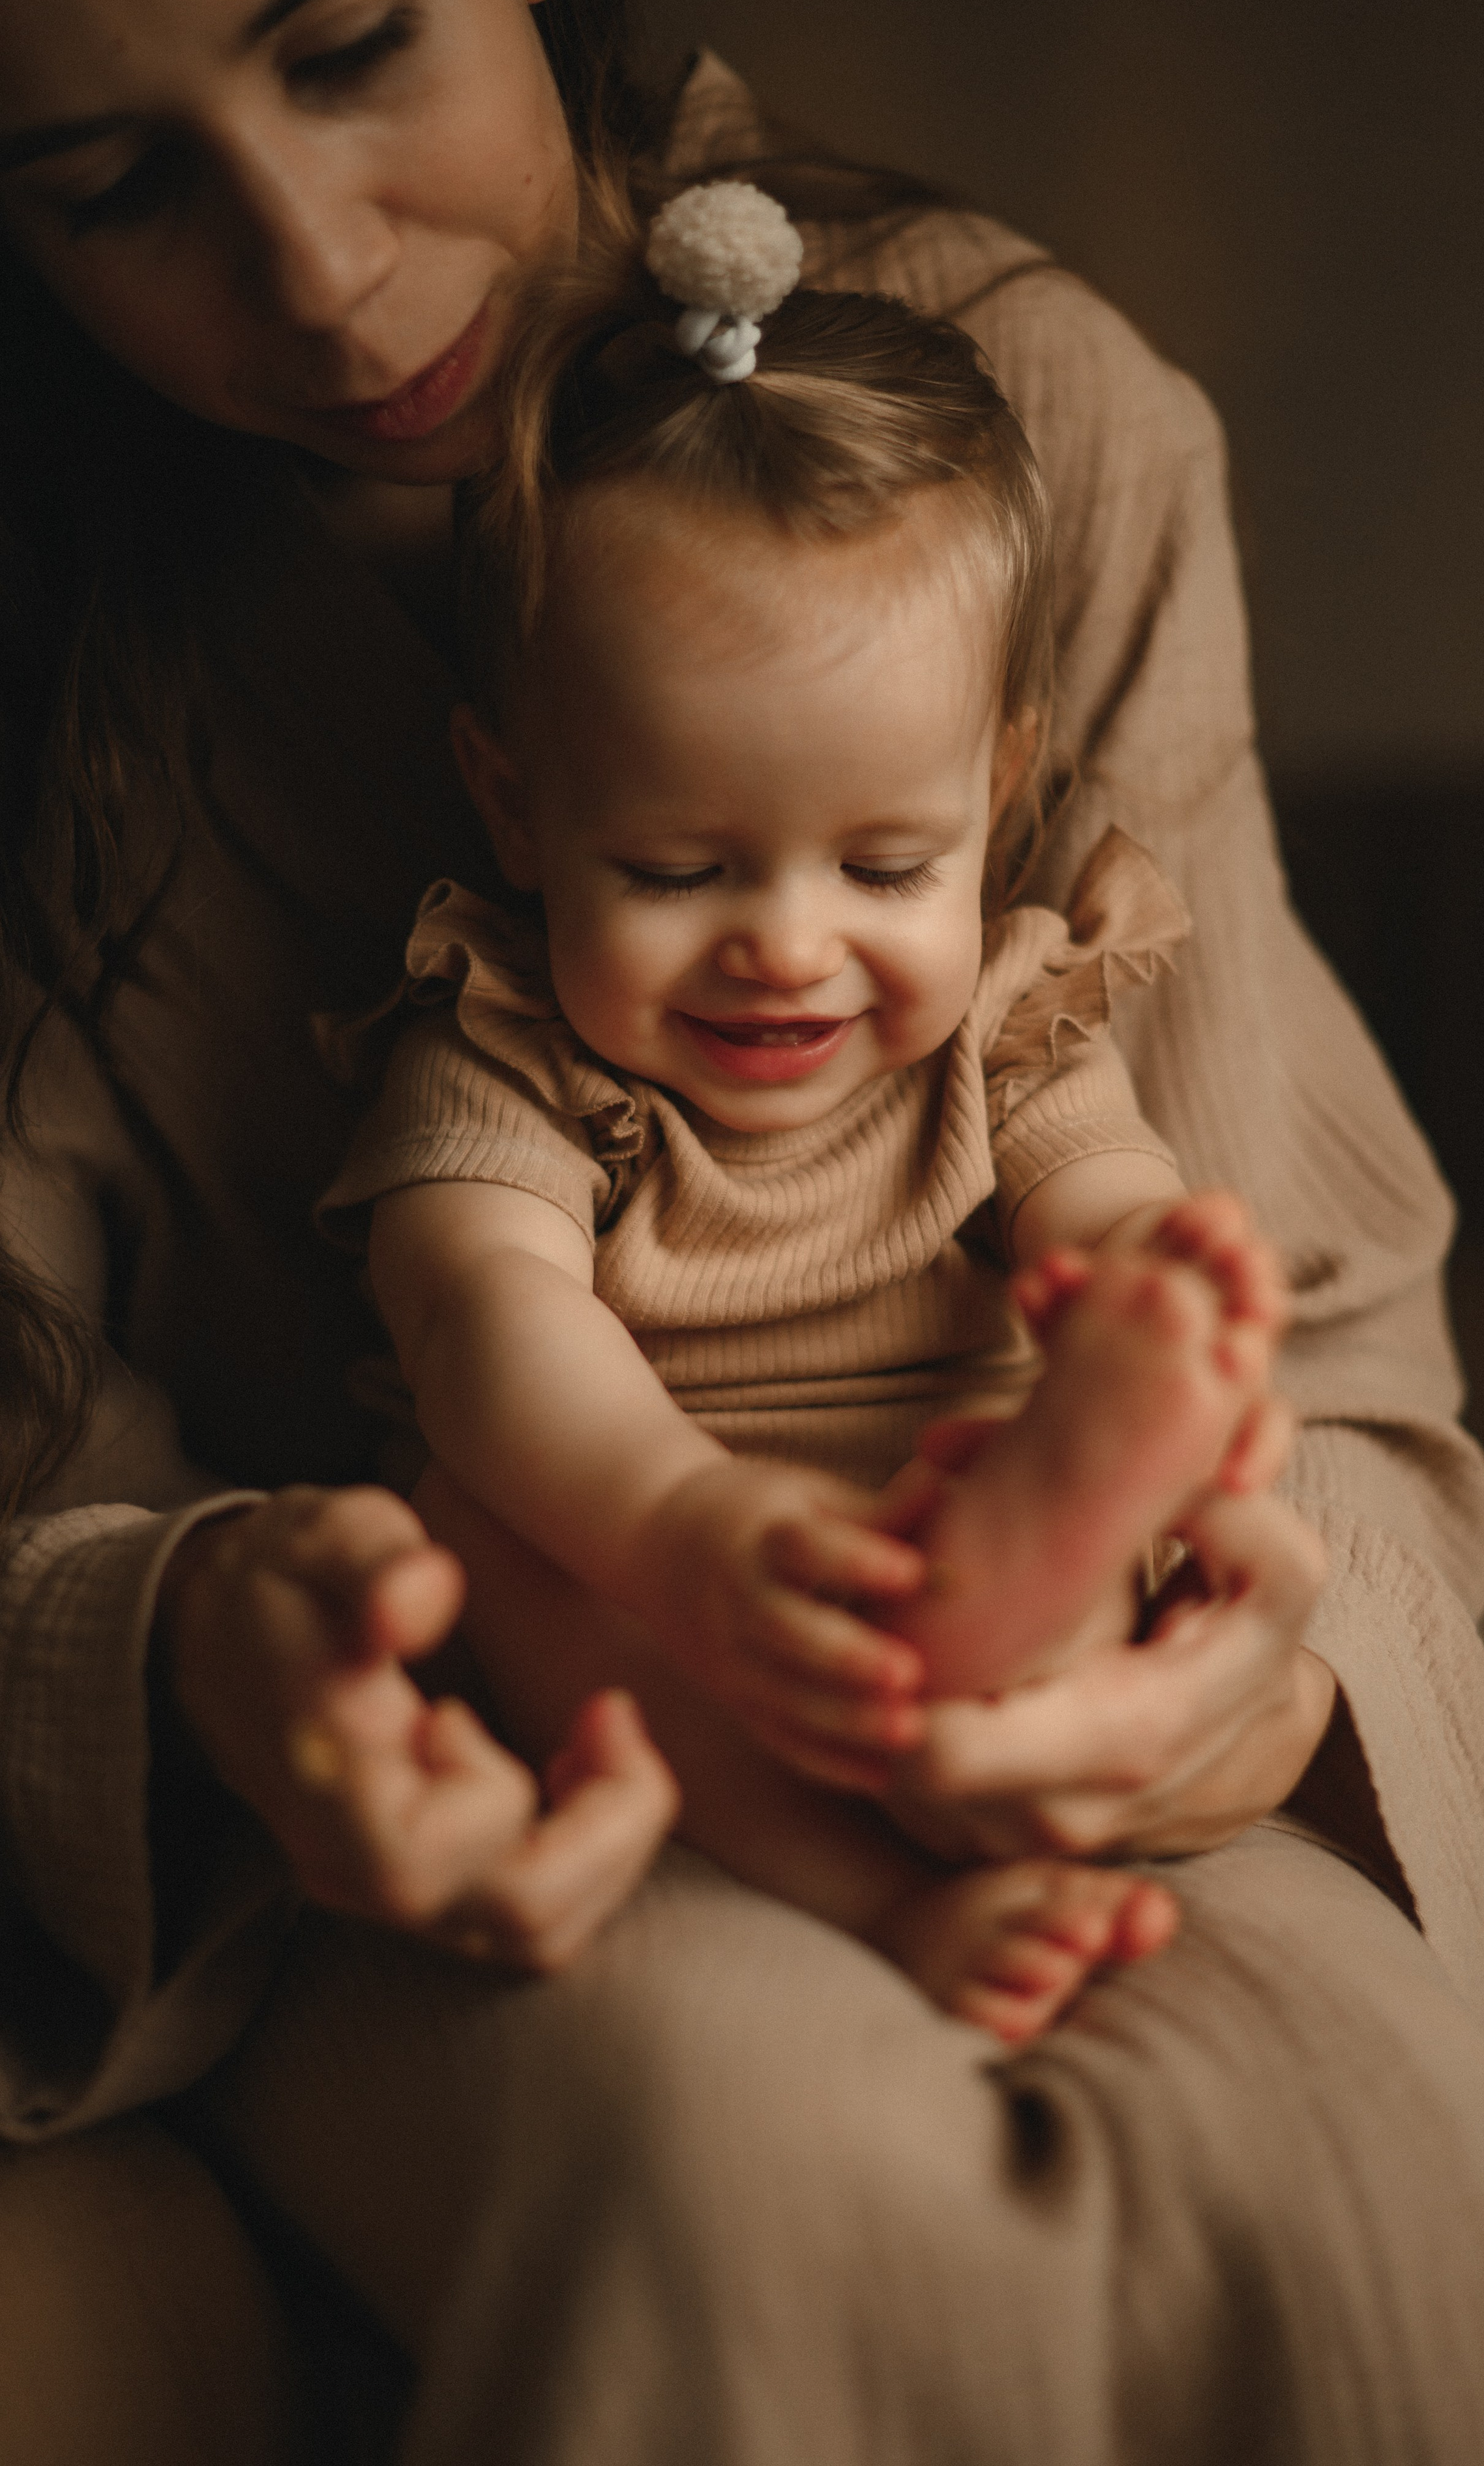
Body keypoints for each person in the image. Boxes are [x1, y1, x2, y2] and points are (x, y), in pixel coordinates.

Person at [0, 0, 1484, 2459]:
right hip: (515, 1678)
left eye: (354, 43)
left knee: (1370, 2147)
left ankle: (1038, 1546)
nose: (320, 270)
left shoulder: (1020, 435)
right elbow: (440, 1365)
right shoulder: (442, 1007)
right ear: (508, 806)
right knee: (753, 2160)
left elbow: (1236, 1265)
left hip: (980, 1580)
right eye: (115, 187)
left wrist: (1243, 1635)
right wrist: (229, 1644)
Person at [328, 173, 1310, 2043]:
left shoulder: (998, 1028)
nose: (789, 949)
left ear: (997, 793)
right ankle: (891, 1892)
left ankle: (1033, 1588)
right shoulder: (517, 1046)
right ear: (516, 806)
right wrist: (684, 1531)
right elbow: (482, 1323)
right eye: (681, 868)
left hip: (950, 1502)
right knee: (474, 1530)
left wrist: (1148, 1289)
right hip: (648, 1560)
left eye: (883, 865)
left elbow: (1100, 1193)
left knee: (1124, 1509)